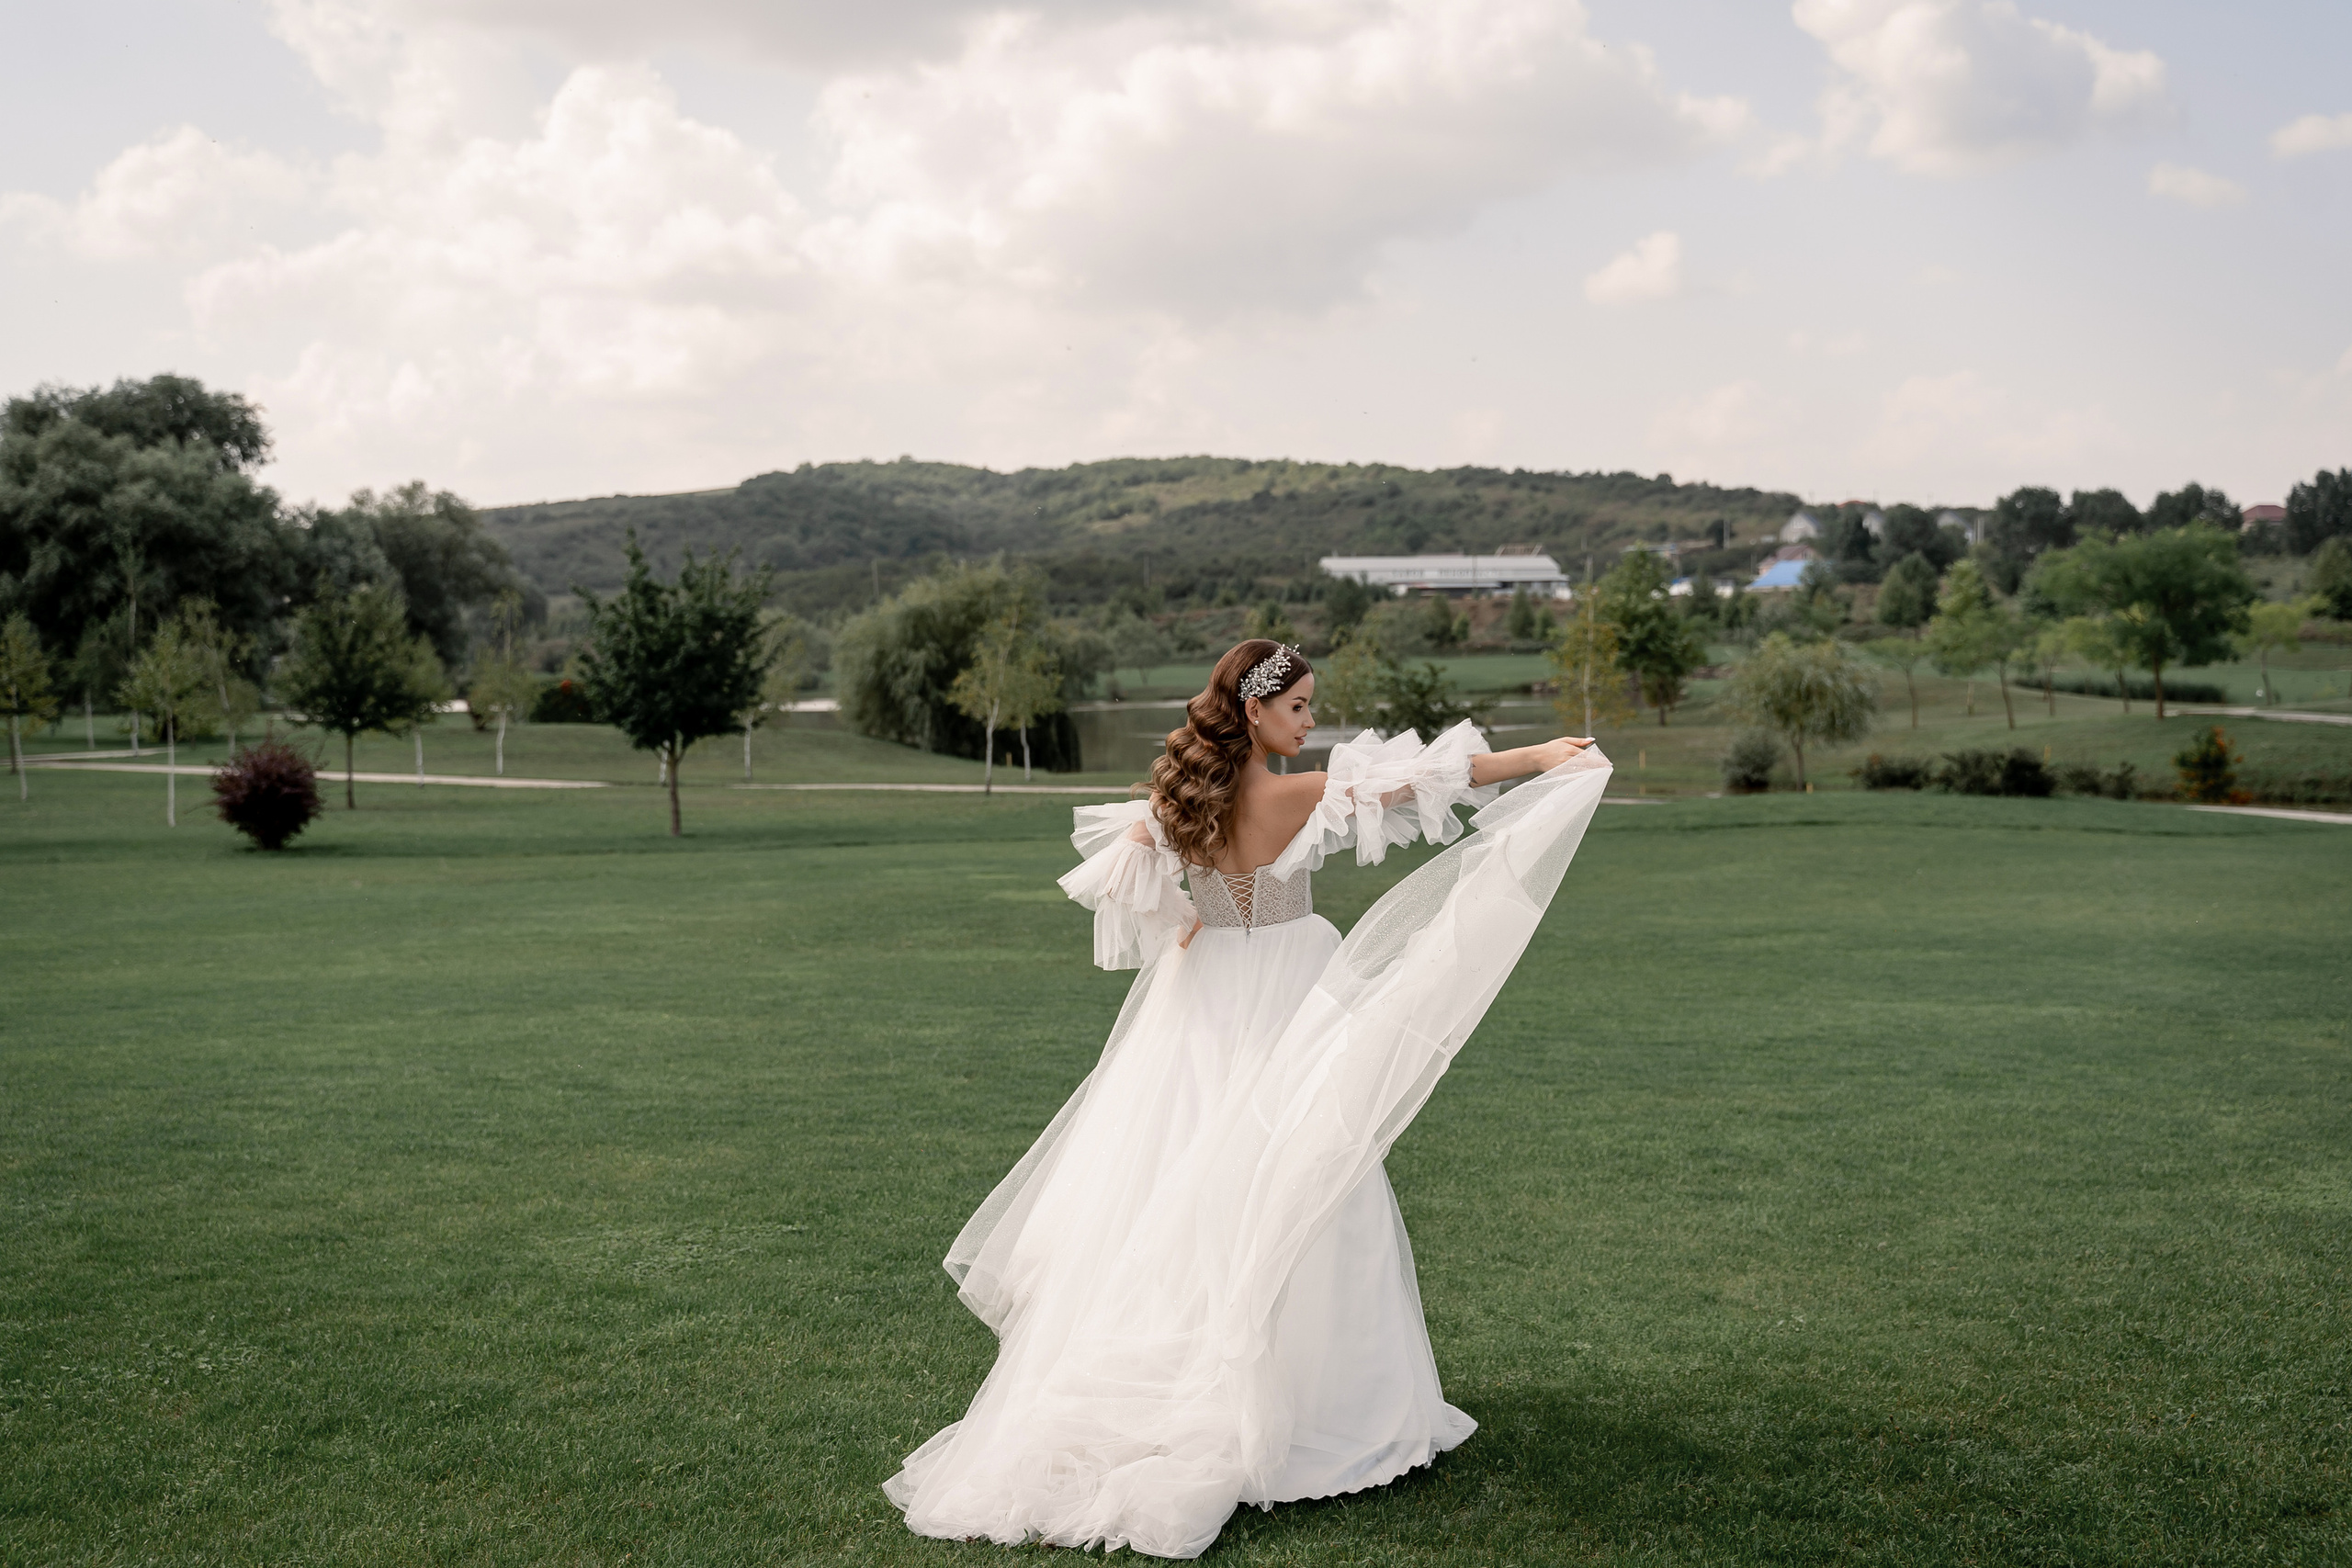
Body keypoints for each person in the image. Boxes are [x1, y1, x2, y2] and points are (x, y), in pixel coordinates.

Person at [885, 637, 1612, 1558]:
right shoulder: (1290, 792)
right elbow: (1433, 777)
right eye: (1298, 706)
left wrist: (1191, 917)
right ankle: (1314, 1406)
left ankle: (1181, 1366)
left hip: (1202, 994)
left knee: (1183, 1174)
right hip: (1286, 987)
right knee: (1308, 1176)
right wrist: (1541, 755)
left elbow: (1147, 891)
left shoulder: (1177, 799)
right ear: (1254, 710)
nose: (1310, 722)